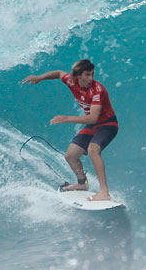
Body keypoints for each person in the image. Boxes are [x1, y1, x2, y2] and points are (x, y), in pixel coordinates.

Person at [22, 59, 118, 201]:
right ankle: (82, 184)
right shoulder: (71, 81)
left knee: (93, 150)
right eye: (87, 75)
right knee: (71, 156)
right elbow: (59, 73)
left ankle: (104, 192)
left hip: (108, 124)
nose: (90, 78)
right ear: (78, 75)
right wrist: (40, 78)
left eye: (92, 74)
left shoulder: (98, 90)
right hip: (93, 126)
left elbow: (92, 118)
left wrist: (67, 118)